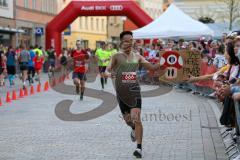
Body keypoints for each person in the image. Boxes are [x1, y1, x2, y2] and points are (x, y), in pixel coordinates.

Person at [108, 31, 164, 159]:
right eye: (127, 40)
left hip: (134, 91)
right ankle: (132, 128)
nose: (130, 42)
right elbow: (107, 70)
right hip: (122, 93)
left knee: (136, 117)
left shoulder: (138, 56)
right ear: (122, 42)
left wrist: (164, 63)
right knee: (128, 121)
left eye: (131, 40)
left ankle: (139, 148)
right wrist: (109, 74)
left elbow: (152, 67)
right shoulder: (116, 56)